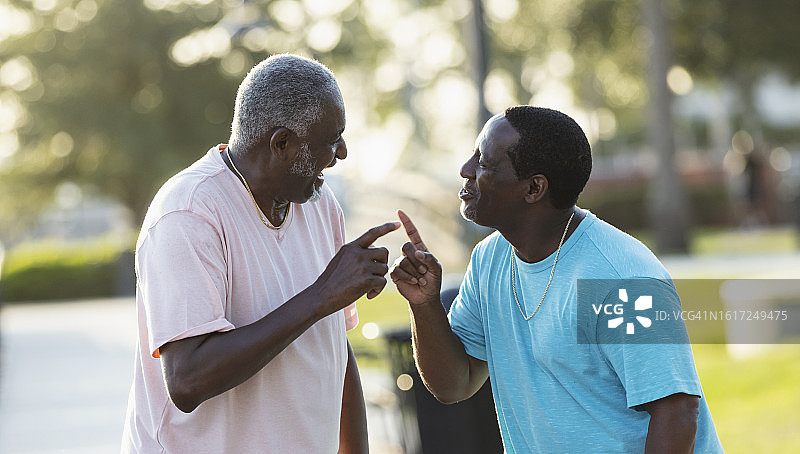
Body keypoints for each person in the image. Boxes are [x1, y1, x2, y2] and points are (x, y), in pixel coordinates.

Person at [390, 106, 724, 453]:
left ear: (534, 188)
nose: (465, 169)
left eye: (484, 162)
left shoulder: (620, 278)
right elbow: (453, 386)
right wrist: (425, 304)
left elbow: (677, 413)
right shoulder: (489, 259)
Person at [121, 54, 399, 453]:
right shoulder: (188, 212)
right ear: (282, 144)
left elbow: (334, 350)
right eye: (331, 139)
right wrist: (321, 296)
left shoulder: (320, 205)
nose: (342, 152)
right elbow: (187, 379)